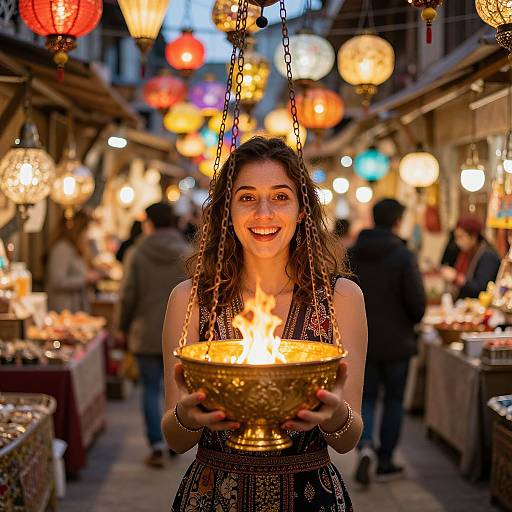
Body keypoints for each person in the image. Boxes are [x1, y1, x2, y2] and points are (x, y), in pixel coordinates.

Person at [162, 137, 368, 511]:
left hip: (309, 496)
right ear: (226, 210)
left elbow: (348, 438)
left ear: (303, 209)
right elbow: (176, 440)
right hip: (214, 496)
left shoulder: (341, 298)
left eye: (280, 196)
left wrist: (334, 413)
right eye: (246, 197)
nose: (263, 213)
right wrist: (186, 417)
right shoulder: (190, 300)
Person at [349, 198, 426, 484]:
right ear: (397, 221)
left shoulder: (353, 253)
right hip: (397, 343)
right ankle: (385, 462)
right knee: (393, 400)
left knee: (366, 396)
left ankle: (365, 444)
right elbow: (417, 304)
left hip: (362, 343)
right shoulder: (403, 255)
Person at [118, 202, 191, 468]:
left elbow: (128, 295)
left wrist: (121, 326)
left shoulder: (137, 253)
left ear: (150, 223)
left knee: (149, 389)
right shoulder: (187, 252)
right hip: (182, 332)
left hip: (145, 330)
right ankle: (176, 438)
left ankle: (157, 445)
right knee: (176, 386)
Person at [46, 210, 100, 312]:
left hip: (76, 308)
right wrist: (85, 279)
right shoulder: (62, 249)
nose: (88, 235)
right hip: (64, 309)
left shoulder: (75, 248)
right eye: (86, 230)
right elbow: (57, 281)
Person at [440, 216, 500, 299]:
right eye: (456, 237)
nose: (457, 241)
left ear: (473, 237)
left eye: (461, 237)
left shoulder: (488, 256)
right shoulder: (466, 253)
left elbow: (481, 289)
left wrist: (455, 278)